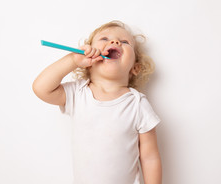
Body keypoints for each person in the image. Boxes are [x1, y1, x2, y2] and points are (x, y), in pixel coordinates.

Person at [32, 20, 162, 184]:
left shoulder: (137, 104)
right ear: (88, 61)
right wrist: (73, 60)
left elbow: (150, 158)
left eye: (124, 42)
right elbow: (41, 88)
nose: (114, 42)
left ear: (135, 68)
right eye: (104, 39)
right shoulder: (78, 94)